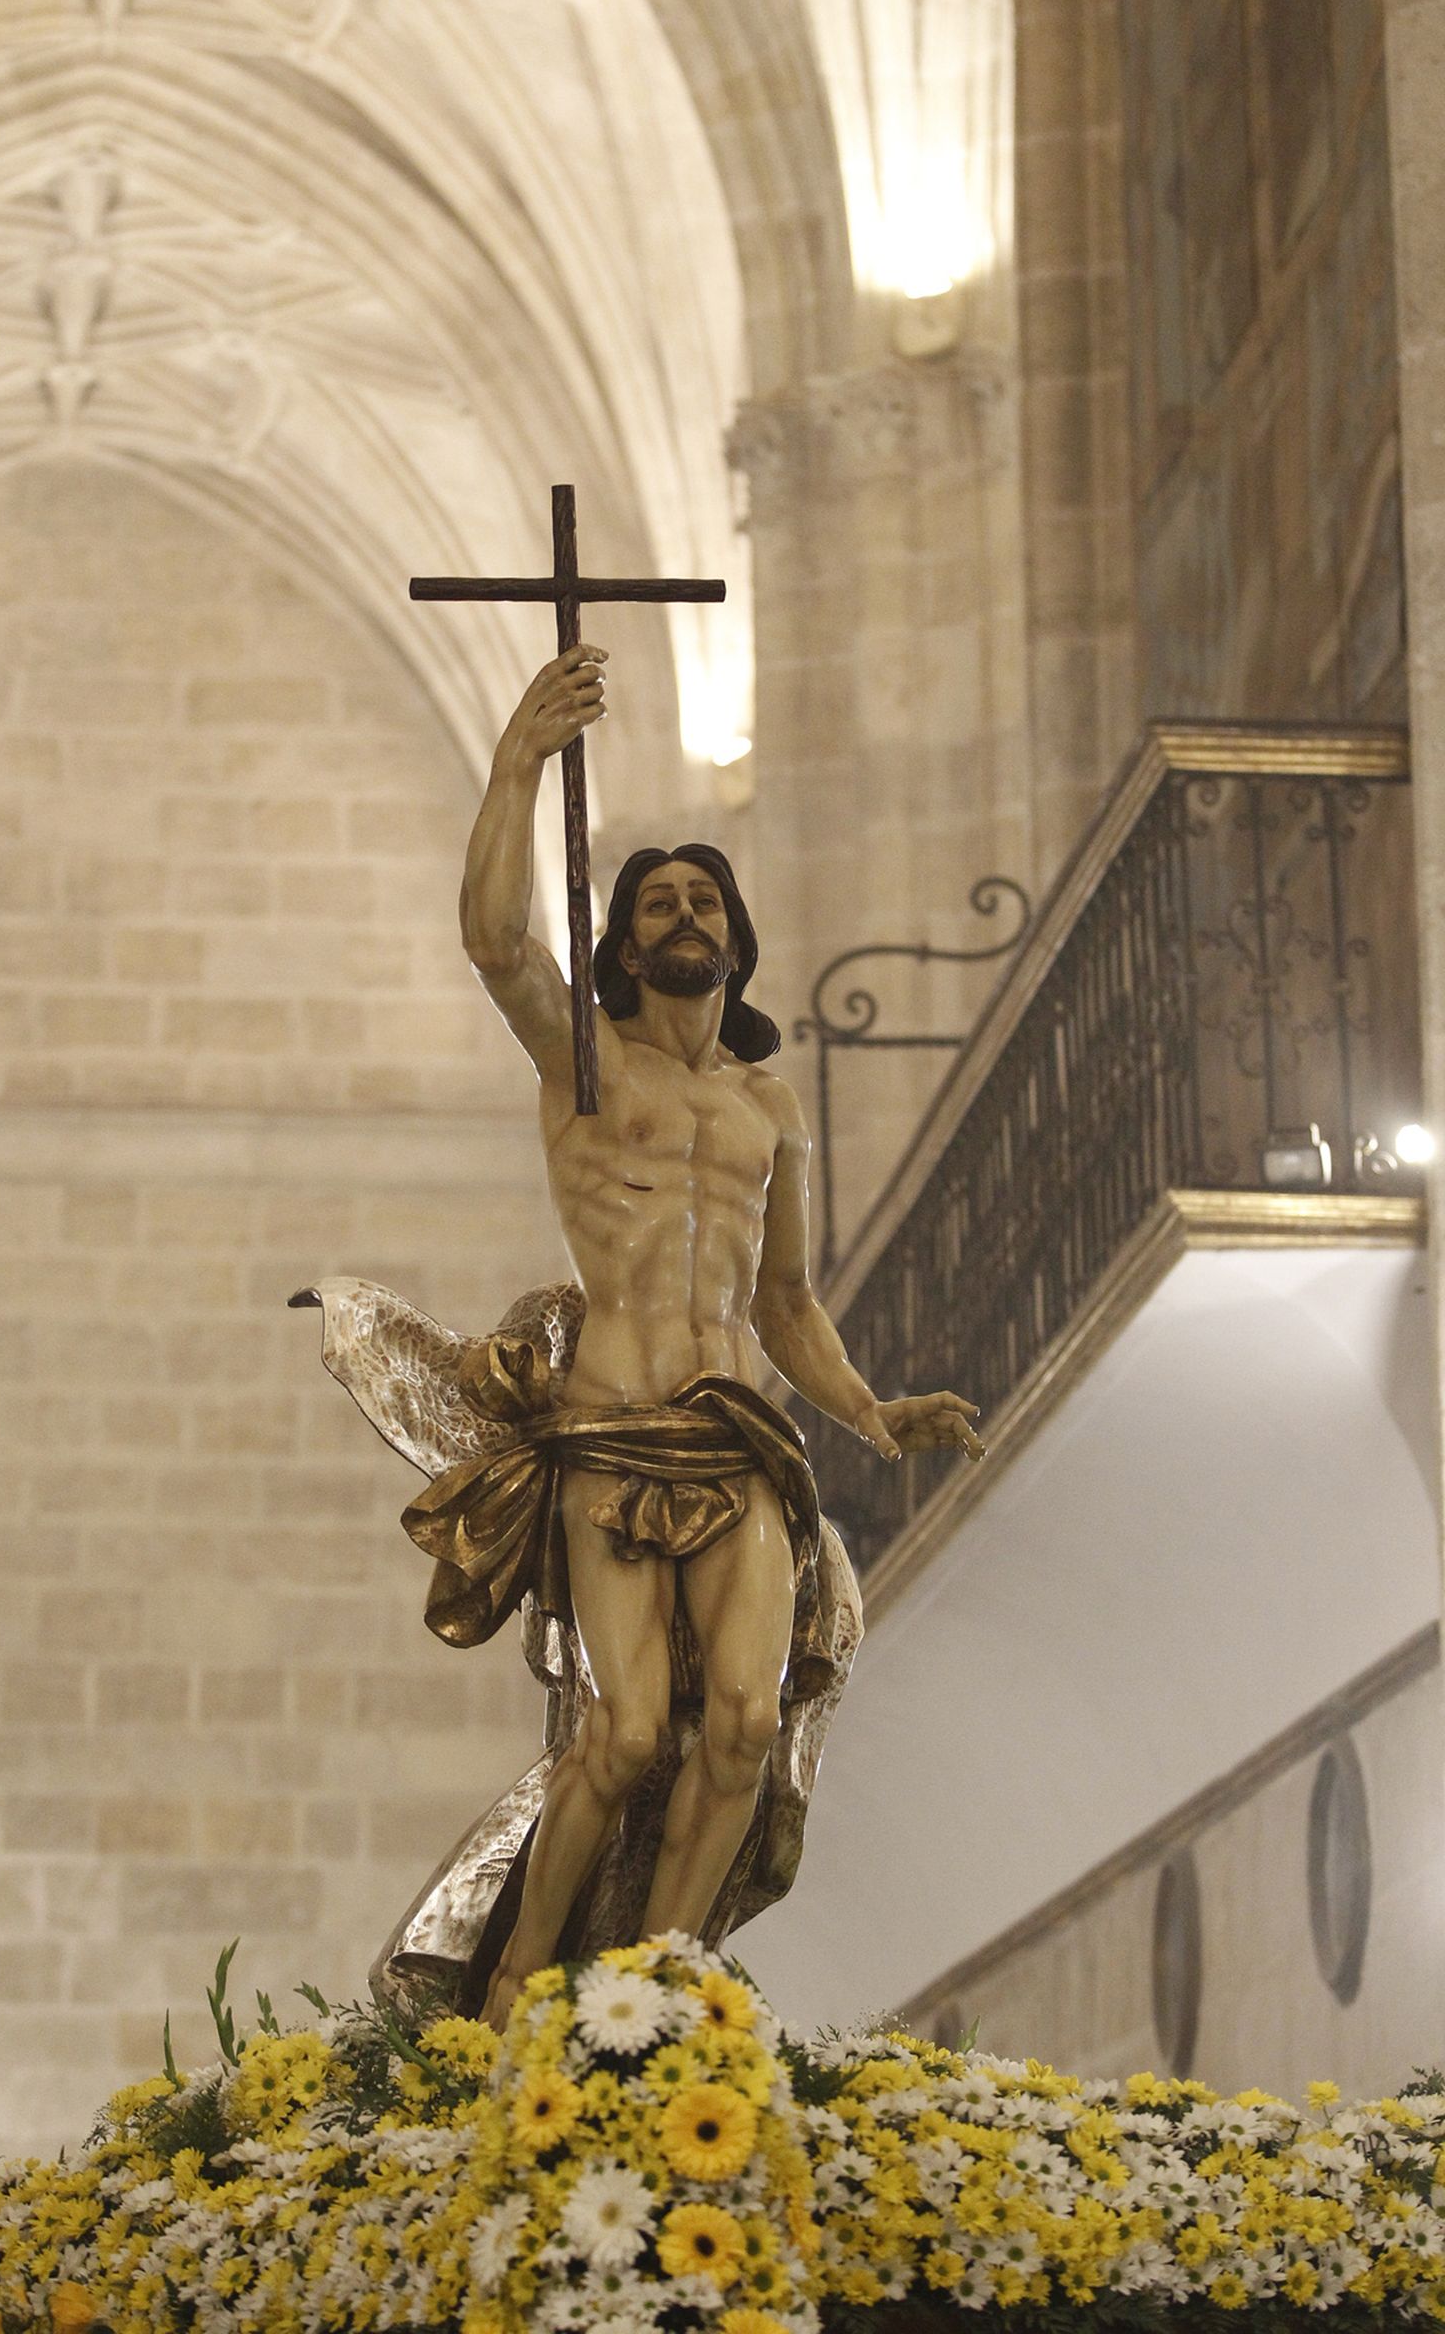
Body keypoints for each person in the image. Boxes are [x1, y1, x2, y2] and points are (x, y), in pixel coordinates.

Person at [443, 645, 983, 2028]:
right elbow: (499, 940)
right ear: (624, 945)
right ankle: (512, 1986)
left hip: (741, 1435)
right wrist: (519, 761)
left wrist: (870, 1411)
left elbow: (787, 1299)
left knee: (741, 1729)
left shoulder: (769, 1108)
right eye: (655, 902)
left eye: (705, 899)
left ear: (735, 942)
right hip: (613, 1428)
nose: (683, 914)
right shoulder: (583, 1060)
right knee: (623, 1736)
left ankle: (651, 1994)